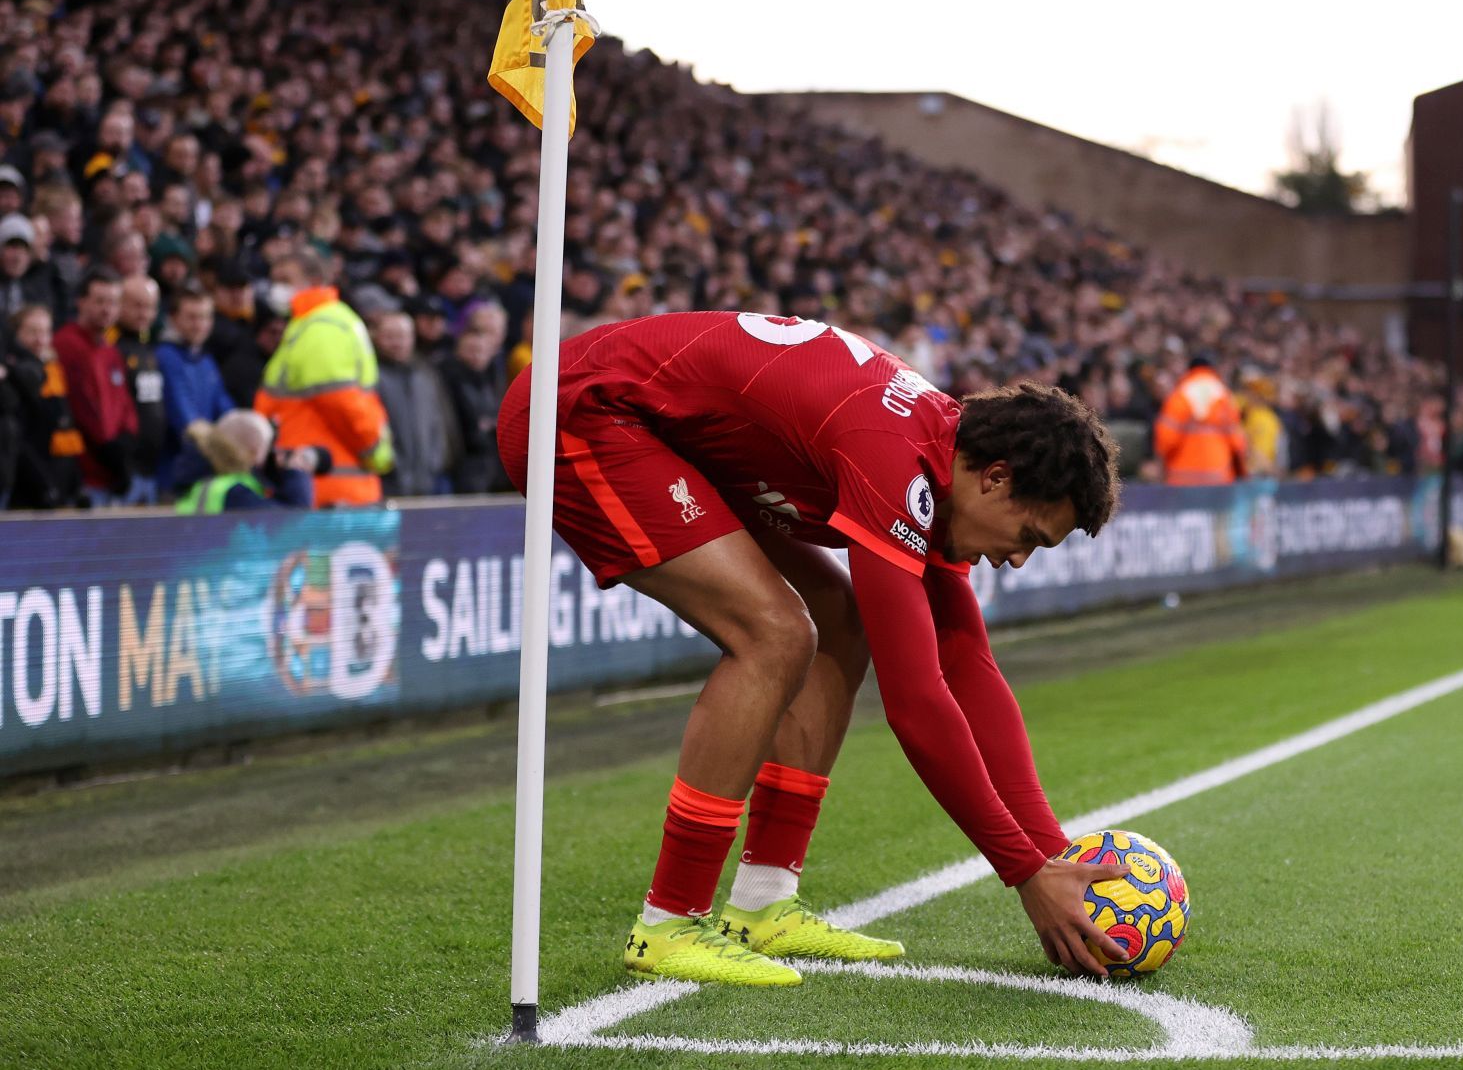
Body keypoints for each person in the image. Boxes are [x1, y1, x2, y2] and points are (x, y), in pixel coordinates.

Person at [497, 311, 1130, 987]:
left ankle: (763, 903)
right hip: (579, 410)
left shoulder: (943, 462)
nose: (1017, 560)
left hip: (656, 426)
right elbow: (916, 702)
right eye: (1029, 535)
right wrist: (1027, 873)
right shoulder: (894, 457)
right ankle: (669, 920)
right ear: (995, 478)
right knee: (775, 632)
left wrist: (1054, 853)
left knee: (841, 619)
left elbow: (966, 664)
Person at [253, 247, 393, 506]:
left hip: (327, 486)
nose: (277, 288)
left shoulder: (321, 328)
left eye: (286, 280)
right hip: (322, 480)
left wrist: (372, 451)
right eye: (275, 280)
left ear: (314, 281)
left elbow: (342, 404)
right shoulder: (314, 323)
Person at [53, 268, 139, 507]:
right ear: (81, 302)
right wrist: (109, 450)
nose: (107, 309)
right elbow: (81, 406)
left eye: (113, 302)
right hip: (85, 474)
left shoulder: (111, 350)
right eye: (99, 301)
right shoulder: (67, 344)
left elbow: (124, 402)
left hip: (113, 473)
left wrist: (126, 440)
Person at [5, 304, 84, 508]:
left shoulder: (52, 369)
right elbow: (20, 439)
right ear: (16, 334)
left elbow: (63, 424)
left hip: (56, 477)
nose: (40, 340)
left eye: (45, 332)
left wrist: (75, 483)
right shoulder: (14, 376)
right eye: (32, 332)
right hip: (26, 485)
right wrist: (45, 485)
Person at [155, 286, 233, 490]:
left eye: (206, 317)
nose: (200, 325)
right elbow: (185, 420)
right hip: (173, 477)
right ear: (173, 318)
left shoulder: (206, 360)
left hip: (204, 476)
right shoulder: (165, 357)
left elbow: (226, 410)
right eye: (192, 317)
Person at [371, 310, 454, 497]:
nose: (396, 343)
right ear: (376, 337)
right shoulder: (371, 376)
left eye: (402, 336)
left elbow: (439, 422)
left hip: (427, 481)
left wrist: (436, 462)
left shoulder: (426, 375)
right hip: (387, 483)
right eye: (389, 336)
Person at [173, 410, 320, 513]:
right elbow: (293, 522)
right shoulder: (234, 492)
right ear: (253, 451)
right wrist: (295, 472)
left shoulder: (204, 478)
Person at [111, 274, 167, 504]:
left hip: (150, 468)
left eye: (150, 307)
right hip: (122, 469)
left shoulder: (147, 346)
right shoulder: (112, 346)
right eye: (137, 305)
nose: (144, 313)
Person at [1153, 354, 1248, 486]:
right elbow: (1237, 441)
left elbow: (1165, 440)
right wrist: (1243, 473)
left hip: (1183, 478)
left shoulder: (1180, 395)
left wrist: (1160, 472)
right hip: (1218, 477)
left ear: (1190, 370)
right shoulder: (1224, 396)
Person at [439, 317, 505, 494]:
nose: (476, 356)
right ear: (458, 351)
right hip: (463, 464)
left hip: (491, 464)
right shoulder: (448, 379)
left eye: (481, 351)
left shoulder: (494, 379)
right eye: (470, 350)